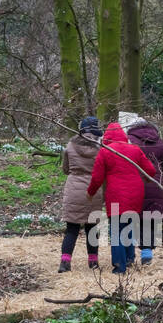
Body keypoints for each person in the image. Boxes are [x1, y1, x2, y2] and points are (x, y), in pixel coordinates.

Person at [86, 121, 156, 274]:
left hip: (115, 194)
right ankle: (129, 259)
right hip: (136, 193)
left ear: (107, 137)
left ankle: (119, 266)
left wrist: (90, 192)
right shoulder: (135, 149)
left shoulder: (105, 151)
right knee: (129, 226)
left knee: (117, 230)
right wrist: (143, 179)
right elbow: (151, 170)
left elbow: (97, 178)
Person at [120, 114, 163, 265]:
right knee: (149, 220)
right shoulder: (160, 143)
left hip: (132, 185)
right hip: (155, 185)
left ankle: (128, 255)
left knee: (129, 219)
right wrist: (160, 179)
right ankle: (146, 253)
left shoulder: (128, 141)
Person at [58, 116, 103, 272]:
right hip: (93, 190)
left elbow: (65, 169)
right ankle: (93, 262)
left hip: (74, 189)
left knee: (71, 229)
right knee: (92, 228)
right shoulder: (101, 147)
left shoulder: (70, 145)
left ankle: (65, 262)